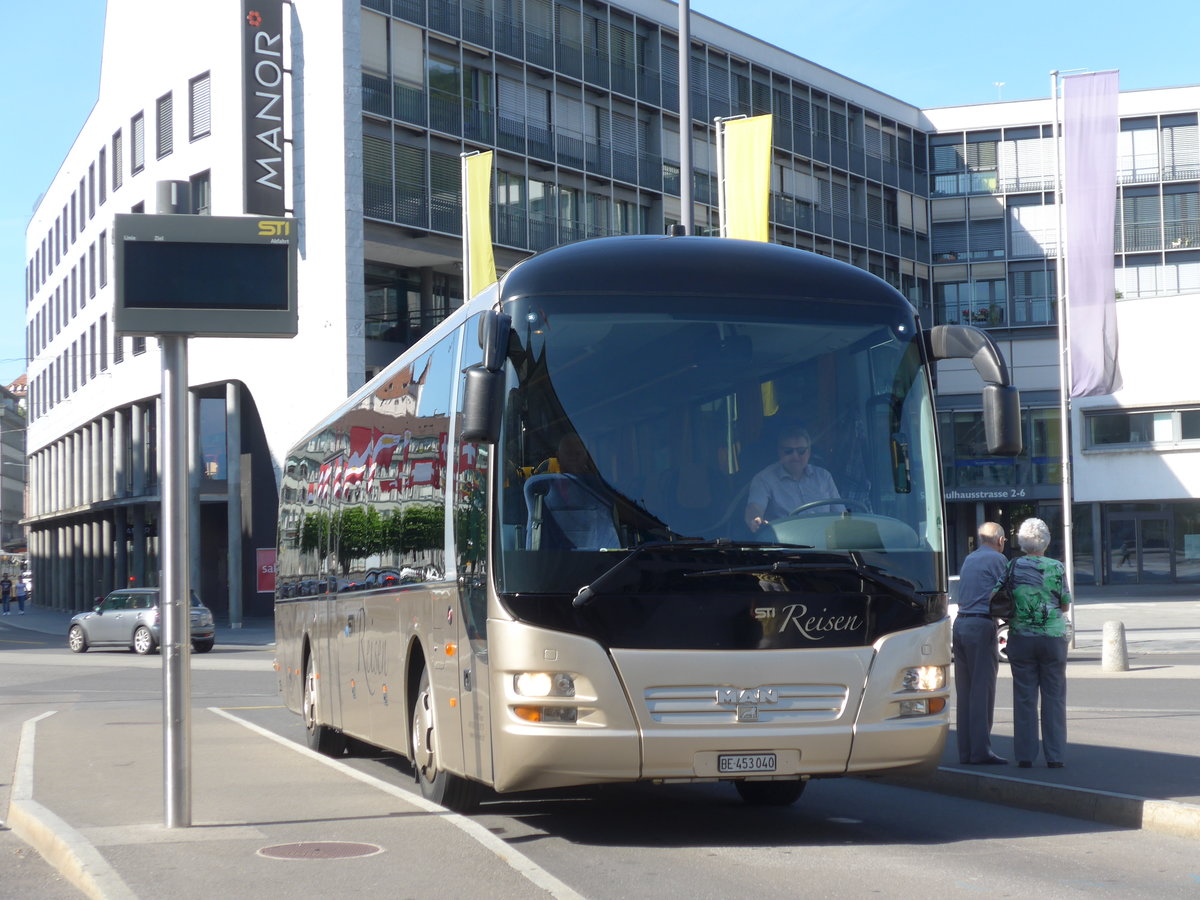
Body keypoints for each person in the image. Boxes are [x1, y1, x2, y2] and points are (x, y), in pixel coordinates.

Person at [1001, 517, 1071, 769]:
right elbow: (1064, 604)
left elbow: (1000, 597)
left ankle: (1025, 756)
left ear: (1021, 541)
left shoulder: (1012, 566)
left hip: (1021, 637)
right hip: (1052, 638)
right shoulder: (1056, 567)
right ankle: (1055, 756)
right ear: (1046, 540)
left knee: (1024, 698)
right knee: (1054, 697)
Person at [953, 522, 1009, 765]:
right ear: (1000, 540)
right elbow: (1010, 592)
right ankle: (981, 751)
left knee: (964, 692)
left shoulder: (969, 559)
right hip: (981, 625)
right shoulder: (998, 559)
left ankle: (965, 751)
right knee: (982, 691)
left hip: (961, 624)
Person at [745, 426, 841, 533]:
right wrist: (755, 520)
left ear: (809, 452)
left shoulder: (824, 477)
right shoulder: (764, 479)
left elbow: (841, 516)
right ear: (779, 452)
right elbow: (755, 507)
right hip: (787, 546)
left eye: (801, 451)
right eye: (788, 451)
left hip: (825, 544)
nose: (795, 456)